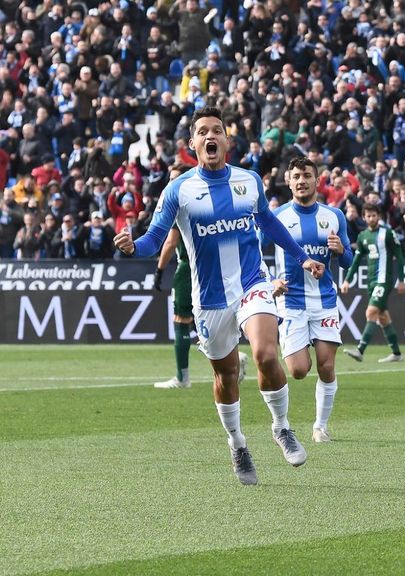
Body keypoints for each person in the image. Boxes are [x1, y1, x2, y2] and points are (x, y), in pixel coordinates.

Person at [114, 107, 326, 486]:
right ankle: (237, 443)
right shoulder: (179, 190)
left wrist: (301, 257)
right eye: (203, 132)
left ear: (227, 140)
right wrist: (133, 247)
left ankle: (281, 426)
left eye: (217, 130)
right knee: (226, 375)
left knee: (265, 353)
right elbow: (154, 238)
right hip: (210, 298)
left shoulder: (249, 180)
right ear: (192, 143)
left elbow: (269, 222)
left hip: (251, 283)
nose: (210, 136)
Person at [271, 156, 353, 442]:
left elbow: (348, 261)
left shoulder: (334, 216)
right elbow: (252, 255)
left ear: (317, 180)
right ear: (288, 181)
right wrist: (271, 281)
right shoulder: (277, 217)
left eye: (306, 175)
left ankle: (320, 426)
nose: (301, 181)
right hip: (291, 302)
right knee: (298, 370)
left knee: (326, 366)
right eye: (296, 176)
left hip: (324, 301)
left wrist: (341, 250)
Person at [153, 164, 229, 389]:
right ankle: (232, 356)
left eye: (176, 178)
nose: (172, 182)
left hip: (188, 268)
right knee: (203, 319)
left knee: (181, 319)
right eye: (170, 178)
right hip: (211, 267)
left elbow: (170, 242)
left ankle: (182, 377)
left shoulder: (180, 205)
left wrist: (159, 270)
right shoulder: (205, 204)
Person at [341, 203, 405, 363]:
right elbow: (356, 261)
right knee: (383, 317)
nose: (371, 218)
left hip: (384, 280)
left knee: (371, 312)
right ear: (364, 218)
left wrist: (401, 280)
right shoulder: (363, 236)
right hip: (371, 282)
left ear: (379, 216)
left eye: (374, 215)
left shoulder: (388, 233)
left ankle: (360, 350)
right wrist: (347, 280)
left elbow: (399, 256)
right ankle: (396, 353)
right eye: (368, 216)